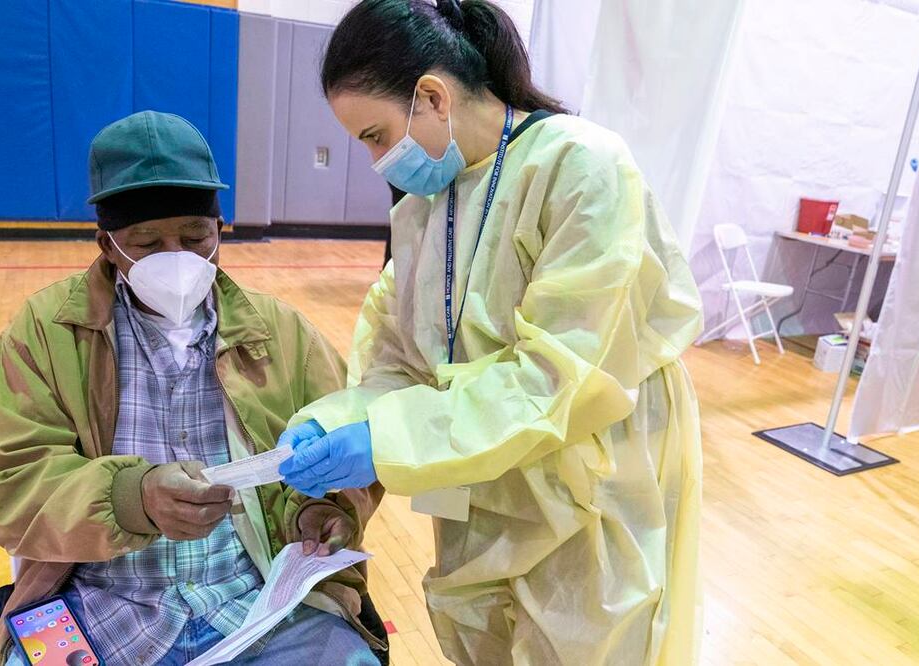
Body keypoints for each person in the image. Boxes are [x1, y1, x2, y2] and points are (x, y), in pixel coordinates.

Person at [277, 1, 705, 665]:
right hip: (472, 461)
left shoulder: (580, 166)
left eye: (374, 134)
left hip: (586, 467)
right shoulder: (425, 205)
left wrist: (388, 439)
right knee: (480, 631)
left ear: (430, 96)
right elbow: (401, 354)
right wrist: (339, 417)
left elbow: (560, 376)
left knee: (584, 635)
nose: (374, 158)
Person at [0, 111, 385, 666]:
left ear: (220, 231)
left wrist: (312, 513)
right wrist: (131, 498)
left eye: (194, 237)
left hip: (257, 603)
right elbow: (4, 480)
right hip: (102, 607)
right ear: (108, 246)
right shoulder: (47, 334)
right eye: (148, 242)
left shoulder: (282, 333)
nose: (177, 258)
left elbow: (344, 456)